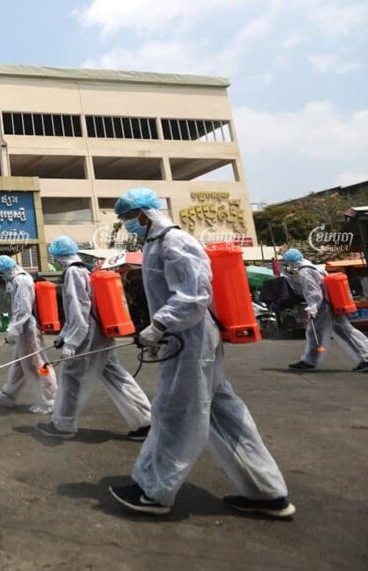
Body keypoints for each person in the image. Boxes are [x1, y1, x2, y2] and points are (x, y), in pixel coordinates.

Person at [108, 188, 295, 519]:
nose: (126, 226)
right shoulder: (155, 243)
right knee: (225, 415)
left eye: (126, 219)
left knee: (176, 412)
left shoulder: (174, 243)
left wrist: (159, 326)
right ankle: (267, 492)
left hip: (190, 339)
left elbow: (194, 295)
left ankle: (154, 491)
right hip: (185, 337)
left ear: (142, 215)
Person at [35, 236, 152, 441]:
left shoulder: (72, 272)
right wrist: (64, 334)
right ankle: (147, 421)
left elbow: (79, 310)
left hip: (87, 335)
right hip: (101, 333)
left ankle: (63, 424)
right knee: (116, 375)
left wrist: (72, 340)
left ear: (57, 254)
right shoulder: (86, 270)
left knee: (72, 377)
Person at [282, 248, 368, 372]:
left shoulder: (304, 272)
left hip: (322, 305)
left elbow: (313, 292)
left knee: (314, 333)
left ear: (291, 262)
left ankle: (309, 361)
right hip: (331, 302)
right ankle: (367, 358)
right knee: (345, 331)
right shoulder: (313, 267)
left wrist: (312, 308)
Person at [0, 255, 57, 415]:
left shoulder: (21, 281)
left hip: (27, 328)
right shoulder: (20, 279)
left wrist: (14, 329)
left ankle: (50, 400)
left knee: (37, 363)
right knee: (19, 363)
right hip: (24, 328)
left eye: (2, 273)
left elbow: (23, 308)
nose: (3, 277)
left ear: (6, 270)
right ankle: (9, 394)